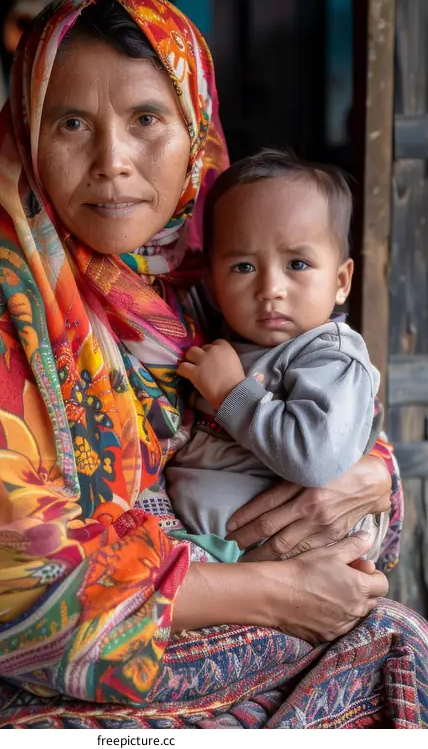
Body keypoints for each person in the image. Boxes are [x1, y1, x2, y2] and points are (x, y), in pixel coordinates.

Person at [0, 0, 428, 729]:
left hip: (235, 643)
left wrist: (370, 476)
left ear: (196, 135)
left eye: (147, 119)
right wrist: (275, 593)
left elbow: (344, 438)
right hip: (49, 681)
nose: (112, 161)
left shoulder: (219, 289)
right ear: (27, 134)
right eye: (71, 123)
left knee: (396, 641)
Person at [166, 150, 388, 561]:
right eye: (243, 267)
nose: (270, 288)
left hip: (284, 557)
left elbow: (317, 458)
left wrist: (231, 392)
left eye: (297, 263)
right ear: (212, 284)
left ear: (341, 281)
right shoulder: (227, 334)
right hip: (210, 553)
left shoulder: (331, 358)